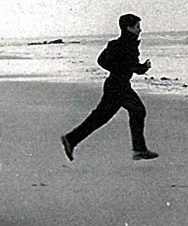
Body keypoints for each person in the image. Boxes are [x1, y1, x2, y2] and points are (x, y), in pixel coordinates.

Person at [61, 13, 158, 162]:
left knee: (102, 117)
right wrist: (125, 69)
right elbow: (106, 62)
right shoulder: (122, 45)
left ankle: (71, 139)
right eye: (137, 26)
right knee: (137, 110)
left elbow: (123, 65)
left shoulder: (124, 44)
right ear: (129, 28)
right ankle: (139, 150)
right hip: (118, 86)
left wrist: (140, 68)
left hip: (117, 85)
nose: (140, 30)